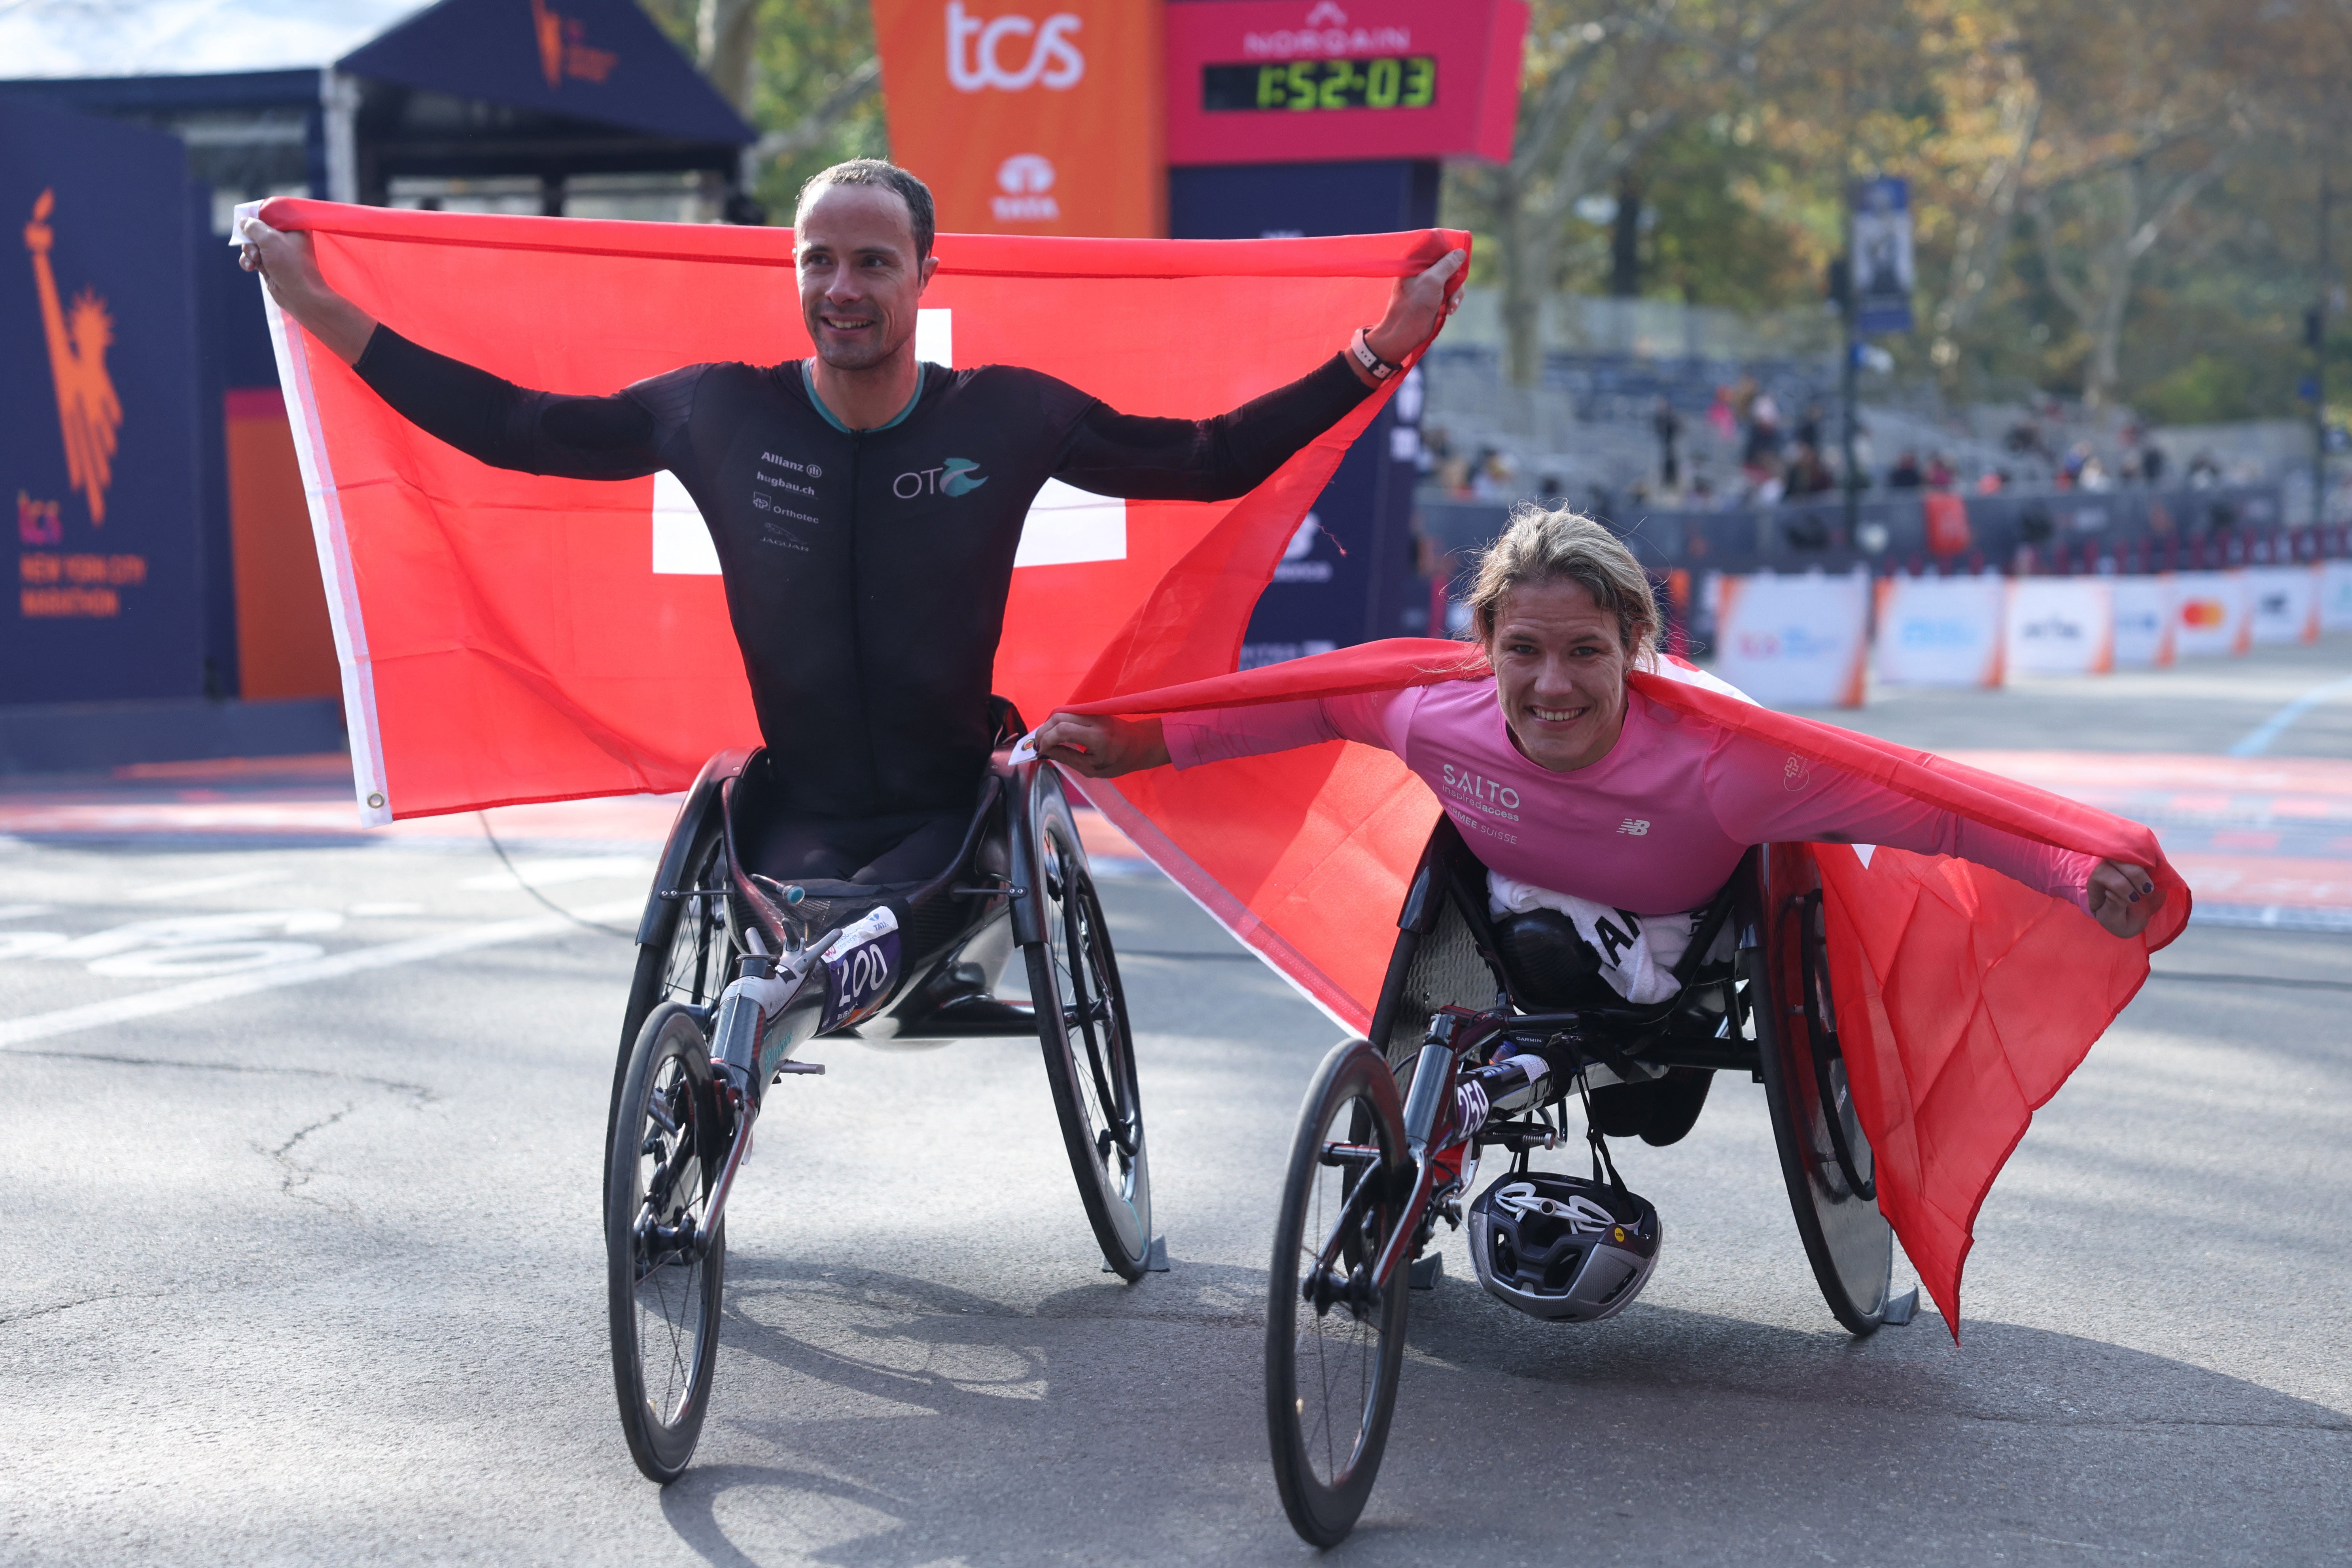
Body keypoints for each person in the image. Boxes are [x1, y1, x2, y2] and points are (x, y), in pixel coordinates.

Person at [238, 159, 1464, 886]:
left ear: (928, 275)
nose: (842, 288)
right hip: (793, 809)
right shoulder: (712, 412)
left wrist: (1373, 354)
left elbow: (1209, 464)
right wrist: (318, 309)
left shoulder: (1012, 416)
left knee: (924, 895)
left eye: (873, 262)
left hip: (955, 806)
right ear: (791, 273)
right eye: (819, 260)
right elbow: (513, 426)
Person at [1029, 505, 2161, 1127]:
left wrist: (2075, 873)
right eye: (1522, 652)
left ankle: (1628, 1045)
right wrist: (1125, 743)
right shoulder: (1433, 714)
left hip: (1680, 927)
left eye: (1585, 653)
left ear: (1635, 650)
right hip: (1506, 903)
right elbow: (1290, 705)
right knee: (1516, 946)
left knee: (1647, 1118)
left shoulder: (1730, 767)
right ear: (1486, 650)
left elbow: (1927, 807)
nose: (1552, 686)